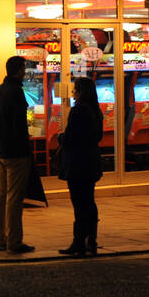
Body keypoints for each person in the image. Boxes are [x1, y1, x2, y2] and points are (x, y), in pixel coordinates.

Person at [0, 55, 33, 254]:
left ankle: (0, 239)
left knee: (0, 197)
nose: (25, 72)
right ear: (18, 70)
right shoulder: (16, 92)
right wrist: (25, 149)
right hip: (17, 153)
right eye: (24, 68)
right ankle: (14, 241)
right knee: (14, 199)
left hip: (1, 151)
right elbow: (20, 125)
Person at [58, 76, 104, 257]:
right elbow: (98, 137)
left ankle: (78, 241)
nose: (73, 92)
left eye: (75, 89)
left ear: (80, 91)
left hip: (77, 164)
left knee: (79, 203)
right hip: (91, 162)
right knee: (89, 201)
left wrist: (60, 138)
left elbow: (69, 138)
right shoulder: (96, 111)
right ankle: (91, 240)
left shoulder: (77, 111)